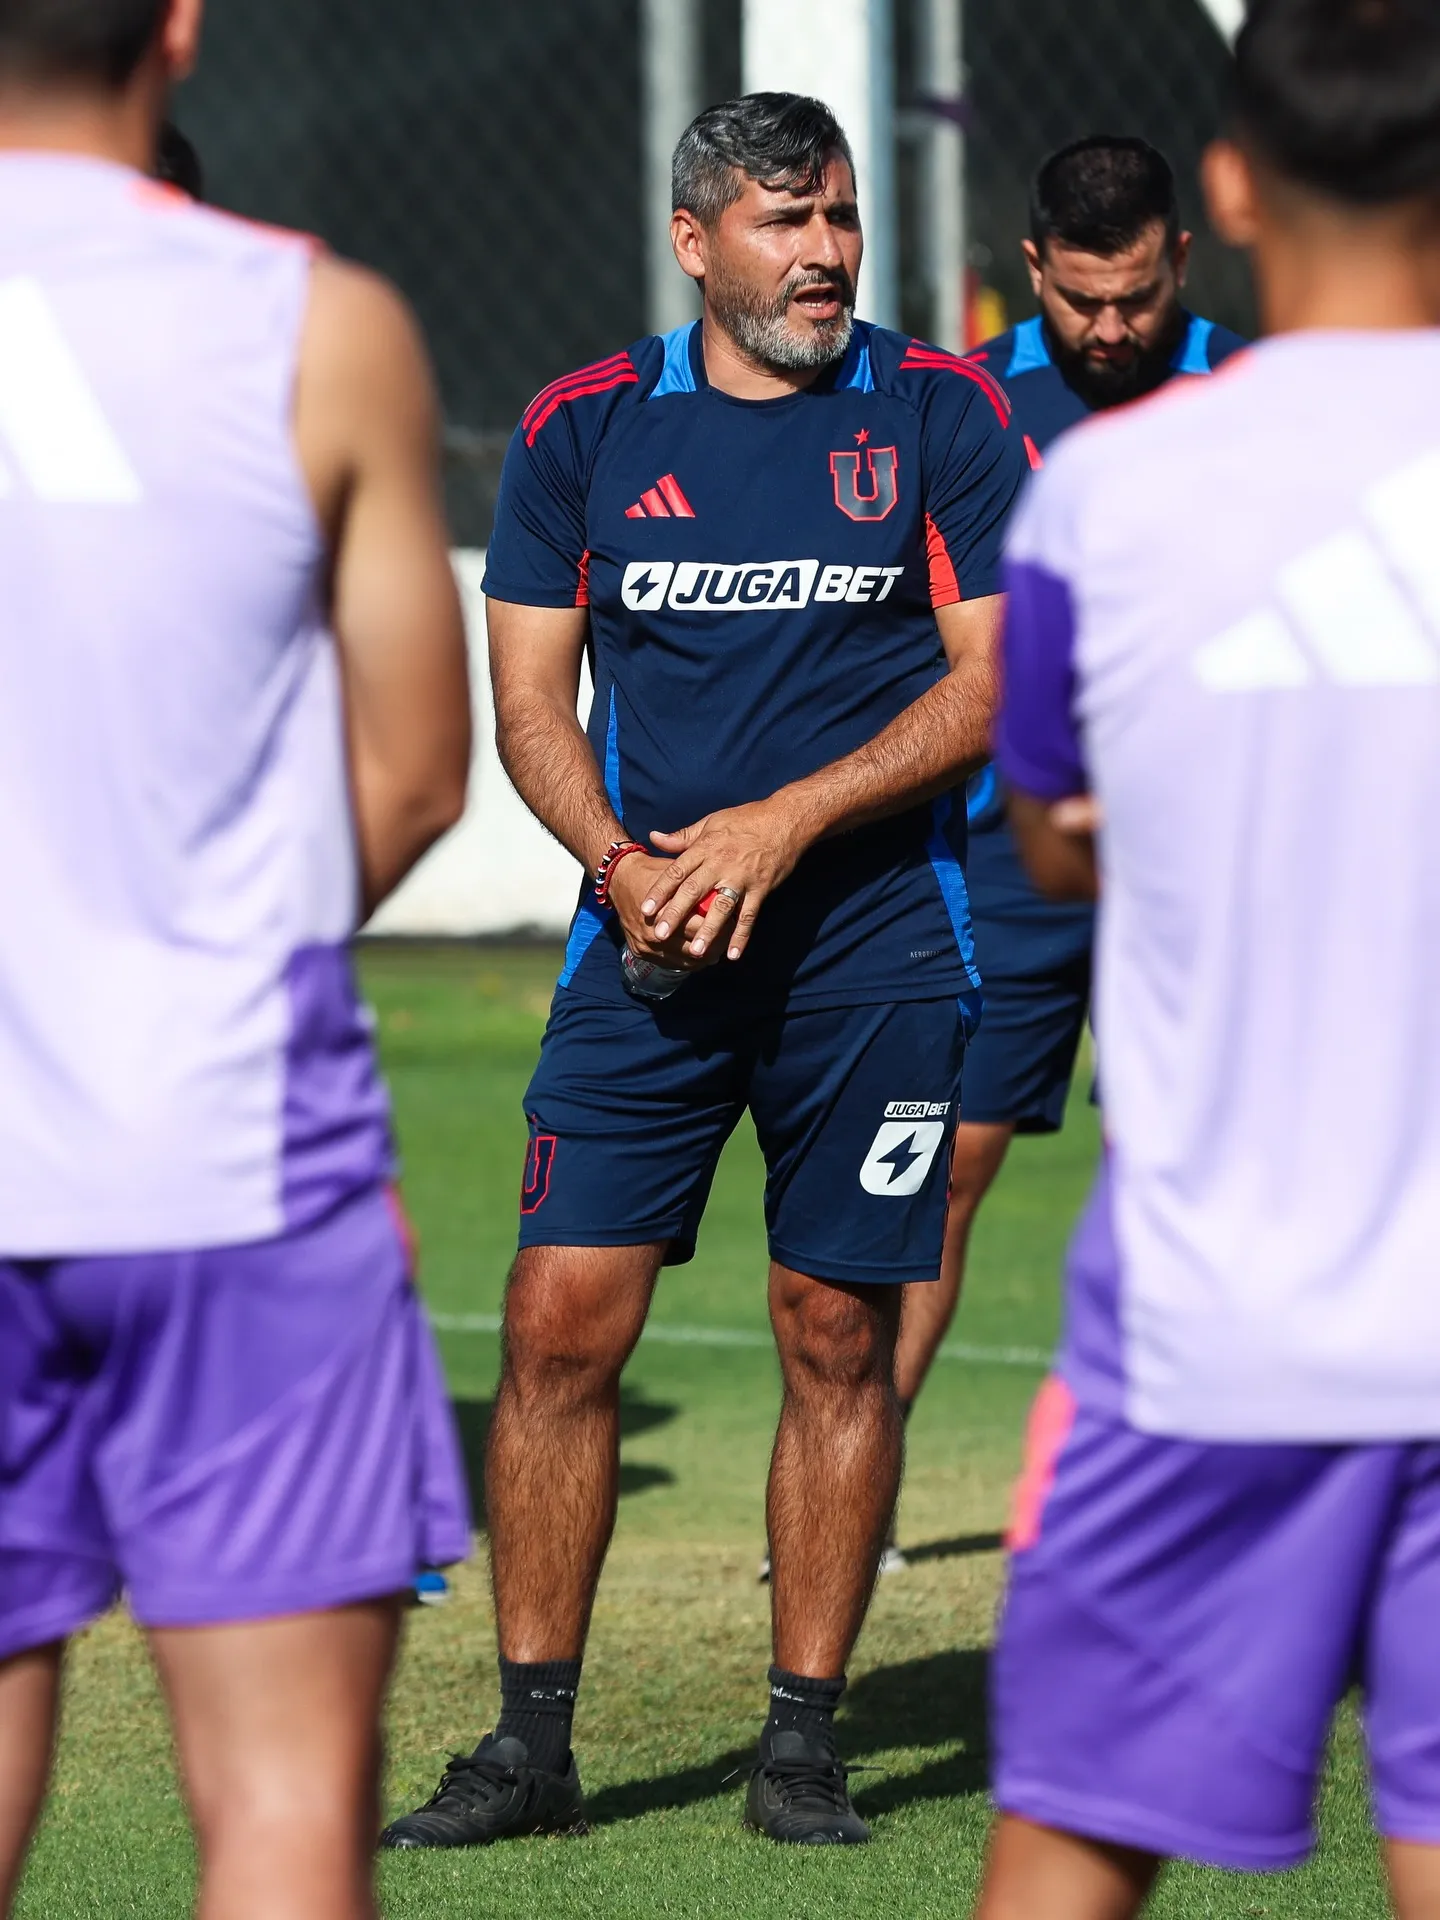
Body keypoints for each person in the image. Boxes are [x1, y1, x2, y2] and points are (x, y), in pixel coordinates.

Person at [381, 92, 1026, 1852]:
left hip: (879, 945)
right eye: (782, 221)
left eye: (839, 217)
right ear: (694, 239)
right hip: (645, 945)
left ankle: (802, 1743)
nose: (824, 253)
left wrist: (783, 825)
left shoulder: (939, 411)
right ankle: (530, 1745)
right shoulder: (582, 426)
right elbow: (531, 705)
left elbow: (992, 680)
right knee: (556, 1322)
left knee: (836, 1330)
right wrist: (623, 864)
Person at [0, 3, 475, 1916]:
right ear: (180, 23)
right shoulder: (319, 322)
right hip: (229, 1149)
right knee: (281, 1805)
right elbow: (417, 771)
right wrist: (185, 941)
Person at [972, 0, 1440, 1912]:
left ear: (1228, 192)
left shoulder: (1106, 492)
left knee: (1077, 1833)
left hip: (1209, 1325)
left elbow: (1053, 832)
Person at [889, 137, 1247, 1476]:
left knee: (1196, 1179)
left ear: (1182, 261)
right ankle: (854, 1490)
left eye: (1137, 298)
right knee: (943, 1171)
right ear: (1033, 266)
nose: (1109, 328)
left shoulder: (1251, 402)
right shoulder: (963, 409)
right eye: (1080, 299)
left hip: (1204, 871)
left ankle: (1215, 1488)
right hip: (1003, 859)